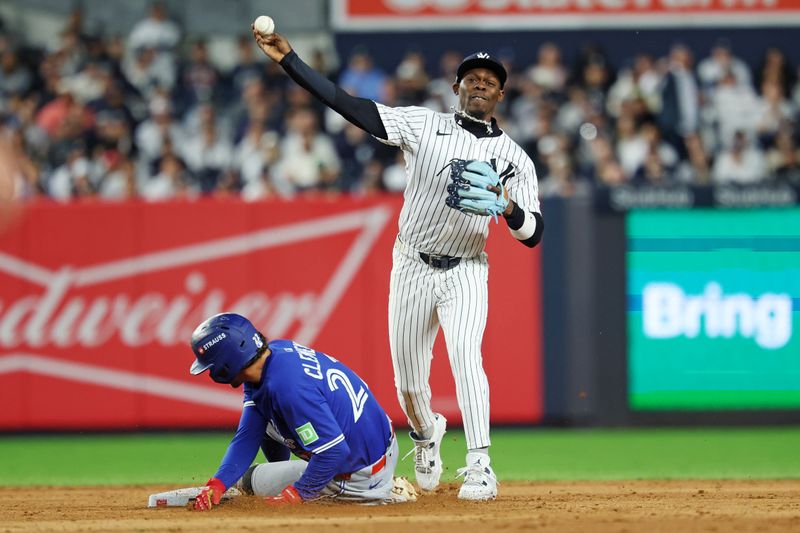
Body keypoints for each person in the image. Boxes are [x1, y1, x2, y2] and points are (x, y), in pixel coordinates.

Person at [252, 30, 544, 501]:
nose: (480, 84)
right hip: (412, 263)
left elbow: (533, 234)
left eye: (490, 80)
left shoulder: (516, 159)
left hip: (467, 267)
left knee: (466, 357)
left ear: (501, 94)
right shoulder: (423, 124)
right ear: (456, 87)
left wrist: (508, 207)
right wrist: (291, 61)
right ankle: (426, 434)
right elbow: (351, 106)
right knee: (408, 384)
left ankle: (480, 466)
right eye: (472, 77)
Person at [187, 312, 416, 510]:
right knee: (266, 418)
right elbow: (249, 434)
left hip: (358, 474)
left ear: (226, 363)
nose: (210, 372)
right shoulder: (275, 353)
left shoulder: (286, 388)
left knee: (247, 481)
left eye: (211, 366)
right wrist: (218, 483)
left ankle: (381, 494)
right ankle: (376, 482)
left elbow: (334, 451)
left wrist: (296, 494)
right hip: (378, 444)